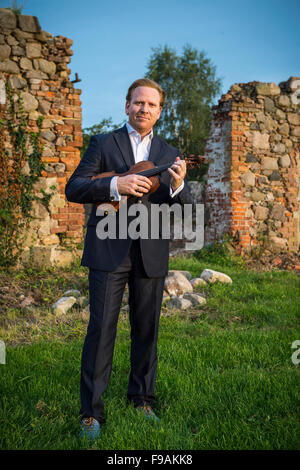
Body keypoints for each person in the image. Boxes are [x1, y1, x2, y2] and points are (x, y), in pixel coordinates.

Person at [65, 78, 193, 440]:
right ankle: (91, 413)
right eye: (138, 103)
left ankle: (142, 399)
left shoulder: (169, 153)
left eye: (151, 105)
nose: (144, 109)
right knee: (102, 329)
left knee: (147, 330)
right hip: (108, 251)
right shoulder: (104, 143)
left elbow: (181, 206)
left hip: (150, 253)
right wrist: (114, 185)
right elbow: (74, 187)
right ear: (126, 106)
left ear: (159, 112)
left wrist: (179, 185)